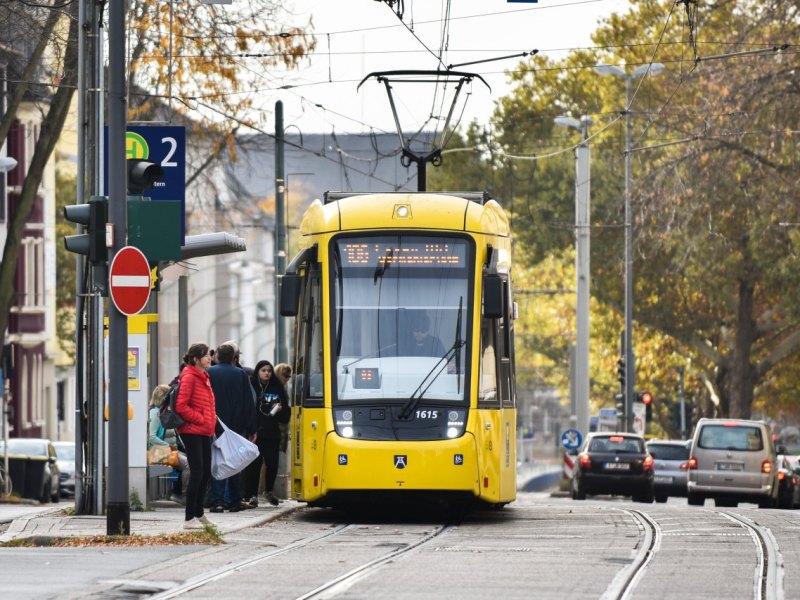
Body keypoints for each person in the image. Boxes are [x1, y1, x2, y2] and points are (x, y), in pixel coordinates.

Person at [207, 342, 258, 513]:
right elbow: (248, 402)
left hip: (214, 425)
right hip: (237, 426)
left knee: (217, 462)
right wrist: (252, 429)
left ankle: (218, 501)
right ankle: (235, 501)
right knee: (235, 461)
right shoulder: (241, 374)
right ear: (234, 358)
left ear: (218, 357)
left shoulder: (209, 373)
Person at [175, 342, 217, 530]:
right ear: (196, 359)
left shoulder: (204, 376)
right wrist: (200, 419)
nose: (209, 358)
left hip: (204, 430)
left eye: (209, 355)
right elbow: (181, 406)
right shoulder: (190, 377)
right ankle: (189, 517)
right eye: (206, 355)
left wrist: (210, 421)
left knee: (206, 472)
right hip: (192, 430)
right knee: (197, 472)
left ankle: (199, 513)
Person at [251, 359, 291, 506]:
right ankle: (252, 494)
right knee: (254, 464)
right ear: (258, 372)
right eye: (263, 370)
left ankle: (268, 490)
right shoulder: (252, 386)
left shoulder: (277, 388)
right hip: (255, 432)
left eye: (269, 370)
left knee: (272, 462)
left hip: (272, 432)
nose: (266, 373)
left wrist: (281, 410)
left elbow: (286, 415)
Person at [147, 384, 190, 504]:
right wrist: (168, 447)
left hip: (166, 450)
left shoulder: (163, 412)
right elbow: (152, 437)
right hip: (158, 451)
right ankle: (184, 496)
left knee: (192, 461)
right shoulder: (155, 413)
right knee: (188, 464)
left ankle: (179, 493)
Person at [274, 363, 293, 453]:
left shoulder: (283, 387)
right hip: (277, 424)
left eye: (289, 376)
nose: (287, 379)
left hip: (283, 423)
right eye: (285, 376)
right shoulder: (275, 387)